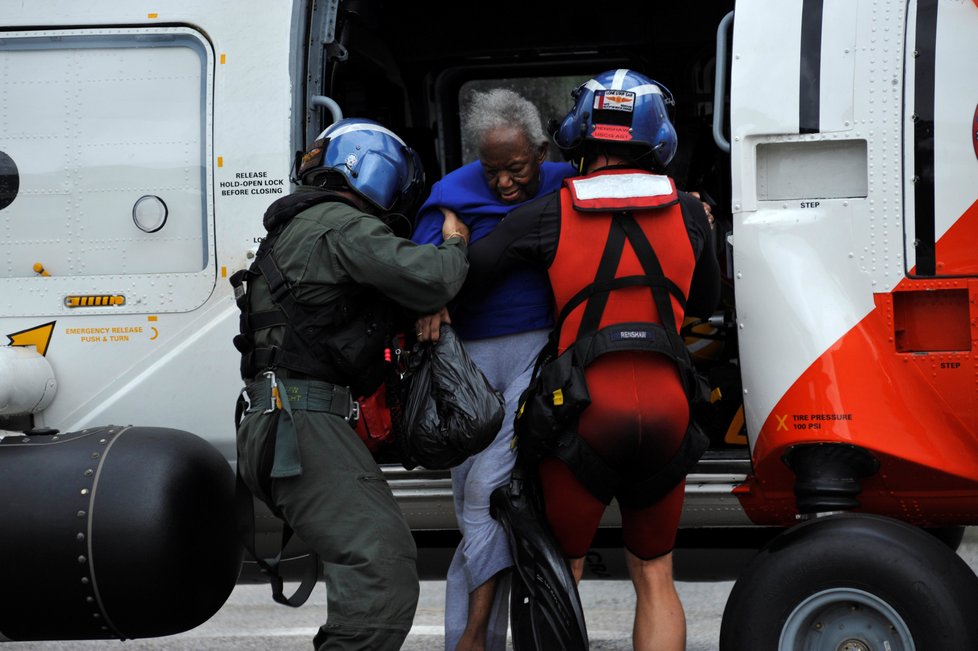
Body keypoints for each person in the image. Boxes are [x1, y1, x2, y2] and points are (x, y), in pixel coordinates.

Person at [450, 69, 721, 651]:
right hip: (671, 410)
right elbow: (706, 302)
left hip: (583, 413)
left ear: (579, 133)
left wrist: (451, 236)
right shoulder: (691, 211)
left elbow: (467, 280)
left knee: (561, 572)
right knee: (654, 576)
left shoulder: (550, 212)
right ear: (658, 138)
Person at [231, 118, 470, 651]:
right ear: (379, 173)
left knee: (372, 564)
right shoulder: (343, 226)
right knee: (379, 565)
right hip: (302, 424)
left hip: (283, 420)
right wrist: (455, 243)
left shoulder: (299, 228)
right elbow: (431, 275)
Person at [411, 88, 576, 651]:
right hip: (469, 360)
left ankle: (472, 638)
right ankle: (475, 636)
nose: (504, 183)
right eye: (492, 170)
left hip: (535, 351)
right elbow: (421, 268)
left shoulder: (566, 178)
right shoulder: (451, 192)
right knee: (470, 507)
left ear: (541, 150)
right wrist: (433, 291)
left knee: (486, 491)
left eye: (517, 169)